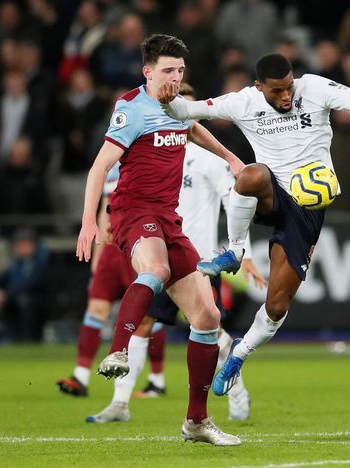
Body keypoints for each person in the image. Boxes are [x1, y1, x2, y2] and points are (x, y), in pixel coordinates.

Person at [158, 53, 350, 396]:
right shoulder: (242, 101)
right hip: (272, 194)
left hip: (307, 207)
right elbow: (188, 112)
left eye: (289, 88)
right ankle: (236, 250)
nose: (286, 97)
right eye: (277, 92)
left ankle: (239, 354)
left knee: (277, 305)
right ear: (259, 87)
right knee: (250, 174)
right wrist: (167, 98)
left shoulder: (314, 88)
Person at [59, 85, 264, 424]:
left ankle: (236, 389)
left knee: (209, 325)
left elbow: (234, 202)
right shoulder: (152, 146)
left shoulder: (207, 159)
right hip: (159, 245)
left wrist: (244, 253)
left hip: (196, 260)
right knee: (142, 323)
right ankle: (120, 403)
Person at [76, 34, 244, 446]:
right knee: (156, 269)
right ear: (148, 72)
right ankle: (116, 350)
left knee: (208, 317)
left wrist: (232, 158)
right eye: (168, 70)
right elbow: (99, 169)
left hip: (169, 220)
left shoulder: (178, 108)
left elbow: (194, 129)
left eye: (181, 71)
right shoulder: (132, 109)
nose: (175, 77)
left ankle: (197, 423)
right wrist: (88, 223)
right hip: (133, 212)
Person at [0, 228, 50, 342]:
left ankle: (28, 339)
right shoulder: (15, 265)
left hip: (35, 304)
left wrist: (5, 295)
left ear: (33, 246)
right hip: (12, 302)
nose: (20, 247)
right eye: (18, 244)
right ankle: (12, 337)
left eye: (24, 244)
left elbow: (29, 284)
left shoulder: (41, 264)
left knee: (26, 301)